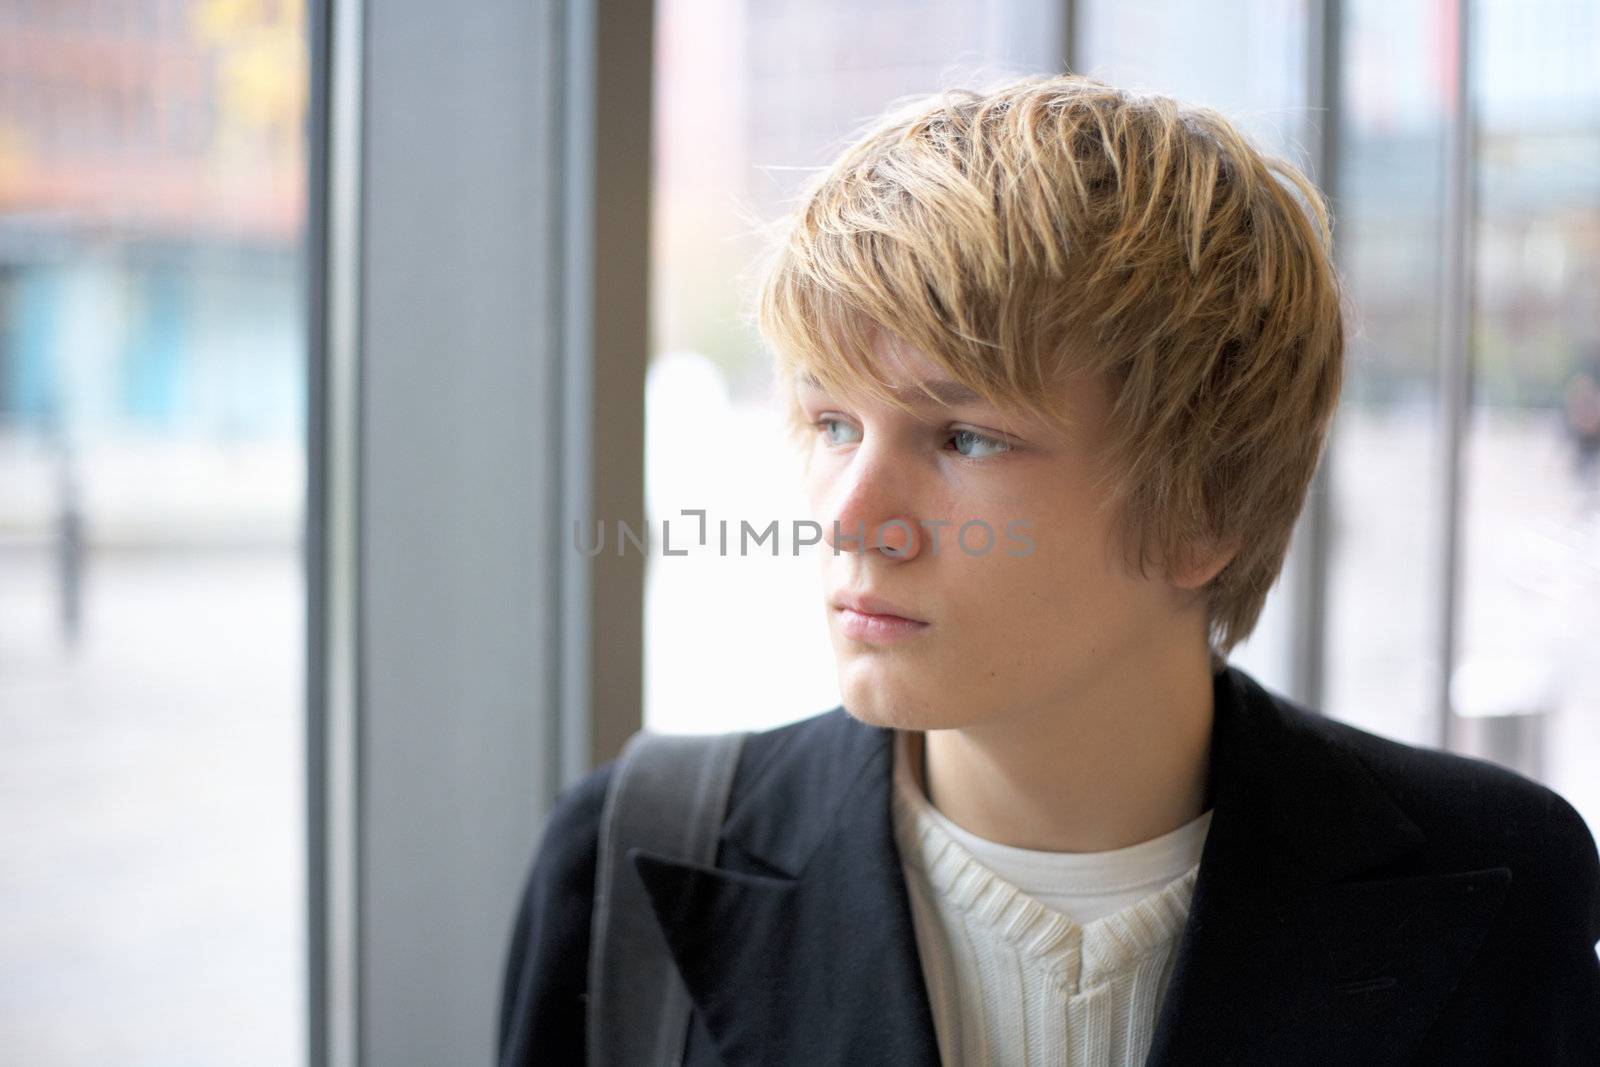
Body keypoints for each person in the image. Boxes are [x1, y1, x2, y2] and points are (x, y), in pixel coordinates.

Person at [497, 73, 1600, 1065]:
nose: (848, 518)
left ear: (1200, 507)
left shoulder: (1495, 882)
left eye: (964, 437)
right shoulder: (624, 859)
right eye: (832, 422)